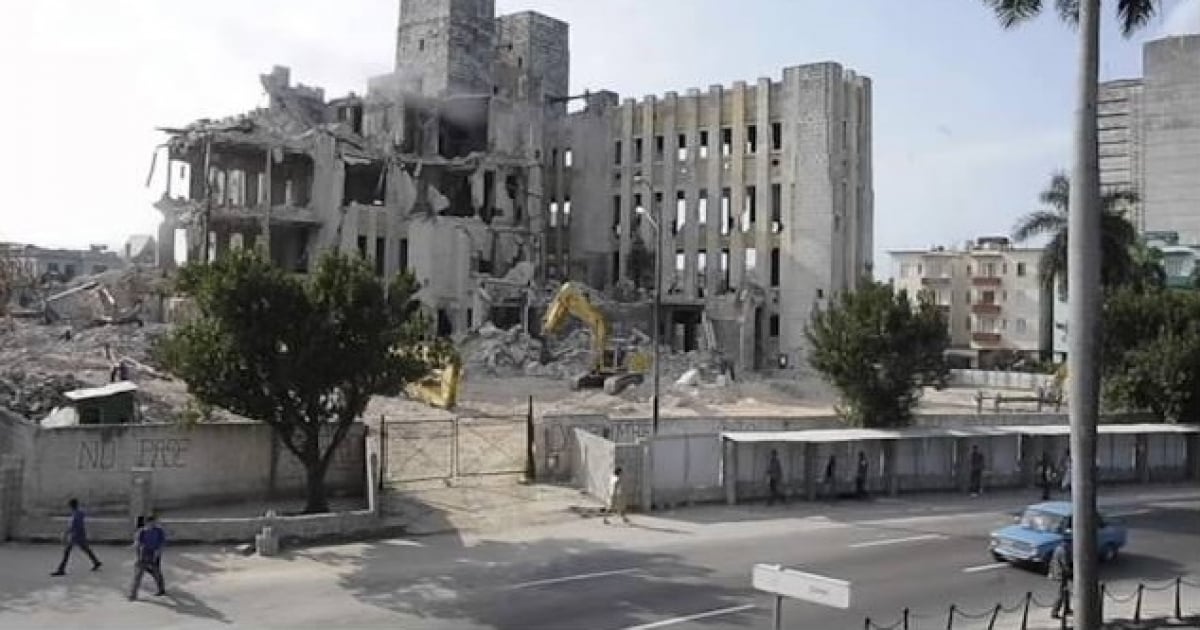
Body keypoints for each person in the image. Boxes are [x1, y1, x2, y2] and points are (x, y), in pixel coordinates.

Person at [51, 498, 102, 576]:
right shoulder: (80, 513)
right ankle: (96, 562)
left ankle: (61, 569)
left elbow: (74, 526)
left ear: (71, 506)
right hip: (80, 535)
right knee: (85, 549)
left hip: (76, 535)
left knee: (67, 552)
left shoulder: (75, 514)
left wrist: (66, 533)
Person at [129, 514, 167, 600]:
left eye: (153, 523)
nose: (152, 525)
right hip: (144, 554)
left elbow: (162, 542)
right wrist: (139, 554)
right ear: (147, 523)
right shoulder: (142, 532)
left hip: (154, 554)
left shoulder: (159, 531)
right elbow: (138, 543)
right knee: (138, 574)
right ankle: (133, 595)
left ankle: (161, 589)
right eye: (150, 523)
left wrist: (158, 551)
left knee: (156, 572)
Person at [1049, 536, 1073, 619]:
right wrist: (1072, 574)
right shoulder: (1064, 551)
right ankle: (1054, 612)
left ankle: (1067, 609)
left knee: (1066, 592)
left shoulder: (1058, 548)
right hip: (1061, 576)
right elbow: (1065, 565)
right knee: (1061, 594)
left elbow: (1052, 561)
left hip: (1057, 574)